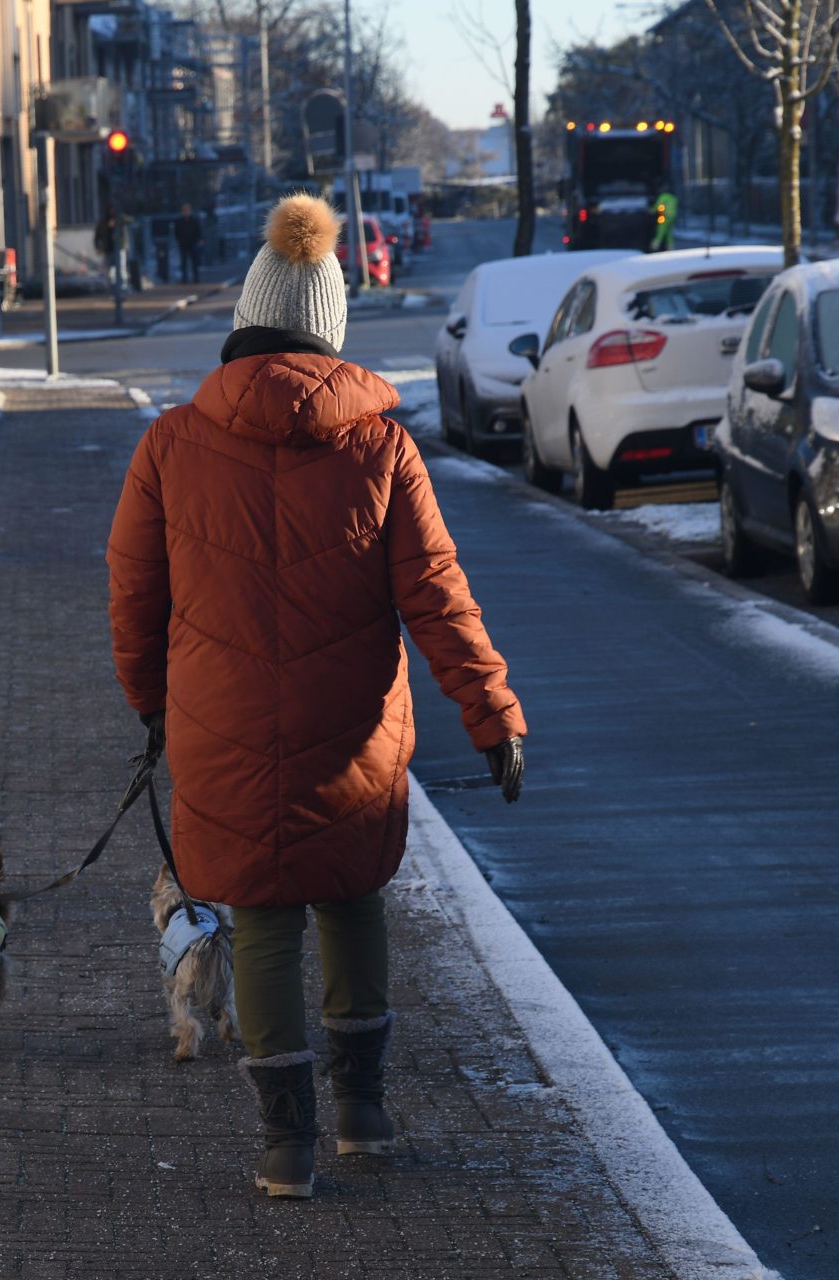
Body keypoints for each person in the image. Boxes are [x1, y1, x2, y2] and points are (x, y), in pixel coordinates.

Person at [106, 193, 528, 1200]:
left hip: (217, 730)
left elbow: (132, 594)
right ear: (331, 326)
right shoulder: (380, 448)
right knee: (350, 899)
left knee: (259, 920)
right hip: (354, 736)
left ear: (248, 317)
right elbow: (438, 595)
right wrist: (492, 710)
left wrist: (152, 705)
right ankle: (363, 1111)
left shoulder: (171, 444)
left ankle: (283, 1145)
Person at [174, 203, 205, 284]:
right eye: (184, 210)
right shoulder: (179, 221)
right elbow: (176, 233)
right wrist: (179, 240)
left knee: (195, 262)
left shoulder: (194, 220)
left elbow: (198, 231)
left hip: (193, 243)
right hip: (183, 244)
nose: (186, 212)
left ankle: (196, 278)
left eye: (187, 210)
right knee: (183, 262)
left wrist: (200, 240)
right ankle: (184, 279)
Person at [650, 186, 678, 251]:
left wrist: (652, 210)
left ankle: (656, 244)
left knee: (661, 228)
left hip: (665, 215)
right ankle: (670, 246)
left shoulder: (663, 197)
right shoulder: (673, 198)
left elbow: (659, 205)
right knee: (668, 230)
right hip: (673, 216)